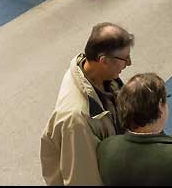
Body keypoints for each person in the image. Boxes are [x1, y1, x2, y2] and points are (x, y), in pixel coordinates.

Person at [41, 23, 133, 186]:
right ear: (103, 61)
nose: (129, 63)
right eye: (125, 59)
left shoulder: (93, 74)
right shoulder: (77, 119)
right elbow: (83, 179)